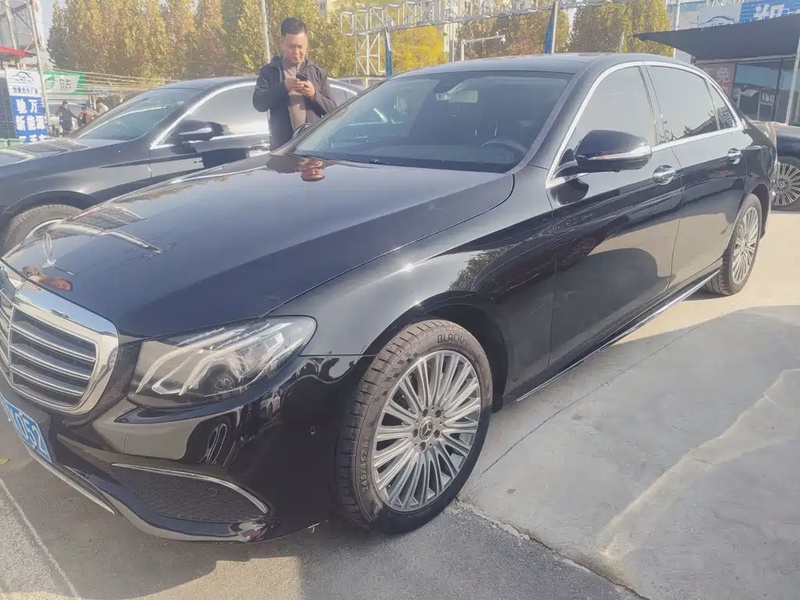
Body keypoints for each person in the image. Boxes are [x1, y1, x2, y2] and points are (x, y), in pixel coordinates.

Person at [252, 17, 336, 149]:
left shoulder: (317, 73)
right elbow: (258, 103)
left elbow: (333, 111)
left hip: (313, 148)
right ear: (282, 43)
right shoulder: (271, 72)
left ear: (307, 43)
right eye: (291, 46)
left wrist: (314, 95)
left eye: (300, 47)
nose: (296, 52)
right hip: (283, 149)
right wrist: (283, 87)